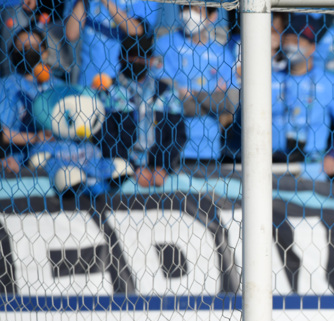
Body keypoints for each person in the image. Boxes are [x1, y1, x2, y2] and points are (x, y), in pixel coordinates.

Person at [269, 16, 334, 171]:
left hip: (311, 168)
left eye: (298, 41)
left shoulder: (330, 83)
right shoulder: (267, 79)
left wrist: (333, 155)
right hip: (270, 166)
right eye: (288, 40)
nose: (291, 46)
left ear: (312, 47)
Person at [100, 31, 185, 188]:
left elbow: (177, 134)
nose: (137, 60)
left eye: (142, 56)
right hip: (121, 169)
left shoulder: (166, 92)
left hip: (161, 170)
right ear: (121, 58)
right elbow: (106, 135)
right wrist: (133, 167)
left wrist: (161, 165)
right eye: (132, 55)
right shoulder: (109, 92)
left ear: (151, 60)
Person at [152, 4, 235, 162]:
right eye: (184, 8)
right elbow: (164, 96)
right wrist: (211, 97)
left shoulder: (221, 53)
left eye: (196, 9)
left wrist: (194, 94)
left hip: (210, 149)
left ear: (212, 17)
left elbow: (229, 105)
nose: (188, 14)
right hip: (173, 148)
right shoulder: (164, 44)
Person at [64, 0, 161, 88]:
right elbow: (71, 34)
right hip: (88, 81)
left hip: (120, 83)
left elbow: (137, 31)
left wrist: (105, 2)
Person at [0, 27, 56, 173]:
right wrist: (35, 138)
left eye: (34, 47)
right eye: (22, 48)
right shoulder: (7, 86)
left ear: (45, 53)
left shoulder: (58, 86)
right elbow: (3, 133)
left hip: (60, 153)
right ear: (13, 54)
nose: (28, 51)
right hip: (20, 161)